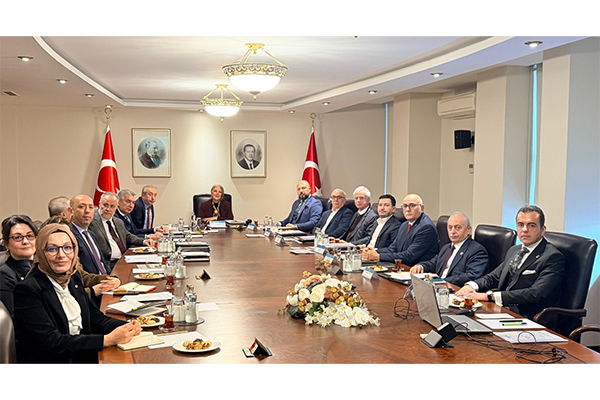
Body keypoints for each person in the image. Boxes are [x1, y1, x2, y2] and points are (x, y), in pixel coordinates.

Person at [13, 223, 141, 363]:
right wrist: (107, 340)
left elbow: (95, 318)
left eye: (67, 248)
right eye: (52, 249)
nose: (61, 255)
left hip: (81, 357)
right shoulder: (27, 290)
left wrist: (129, 325)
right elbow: (52, 341)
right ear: (41, 252)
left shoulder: (73, 277)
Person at [455, 205, 565, 320]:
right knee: (461, 321)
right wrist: (471, 286)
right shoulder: (514, 250)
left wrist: (490, 296)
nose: (525, 229)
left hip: (528, 317)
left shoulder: (552, 257)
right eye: (520, 225)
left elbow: (535, 293)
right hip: (504, 310)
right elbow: (494, 277)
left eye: (531, 225)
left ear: (542, 230)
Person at [41, 216, 121, 304]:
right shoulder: (40, 276)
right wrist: (93, 291)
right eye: (52, 248)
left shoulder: (73, 257)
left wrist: (112, 280)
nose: (61, 254)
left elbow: (84, 277)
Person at [410, 212, 488, 287]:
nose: (452, 231)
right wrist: (421, 266)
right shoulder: (447, 247)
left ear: (468, 229)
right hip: (438, 287)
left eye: (458, 227)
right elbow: (434, 263)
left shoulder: (477, 251)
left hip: (455, 290)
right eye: (450, 227)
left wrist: (440, 280)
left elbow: (471, 276)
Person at [362, 194, 439, 266]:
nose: (408, 209)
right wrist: (372, 252)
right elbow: (392, 249)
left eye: (412, 206)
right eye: (405, 206)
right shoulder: (404, 225)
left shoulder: (426, 227)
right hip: (401, 267)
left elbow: (409, 256)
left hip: (417, 270)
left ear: (421, 208)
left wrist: (379, 256)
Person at [89, 192, 153, 268]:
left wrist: (144, 241)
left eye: (112, 206)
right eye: (105, 205)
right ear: (99, 204)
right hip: (108, 264)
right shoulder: (91, 221)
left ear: (116, 207)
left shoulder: (118, 221)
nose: (108, 209)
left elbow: (128, 236)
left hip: (124, 259)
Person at [0, 215, 37, 317]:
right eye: (17, 237)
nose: (25, 241)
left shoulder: (43, 268)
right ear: (6, 244)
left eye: (30, 236)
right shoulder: (4, 275)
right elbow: (14, 316)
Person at [70, 194, 111, 275]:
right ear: (71, 211)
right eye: (81, 207)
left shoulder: (92, 235)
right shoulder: (70, 236)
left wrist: (113, 277)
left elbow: (102, 263)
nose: (87, 211)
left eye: (91, 207)